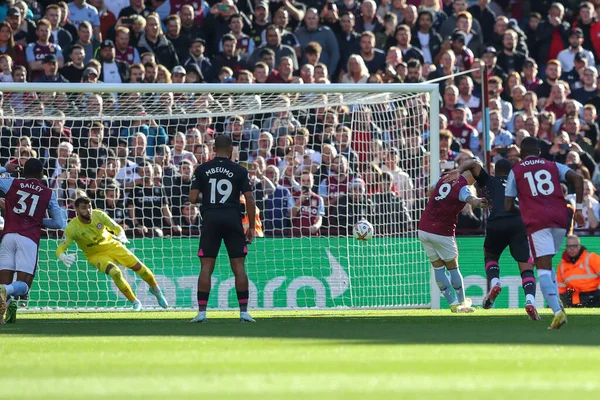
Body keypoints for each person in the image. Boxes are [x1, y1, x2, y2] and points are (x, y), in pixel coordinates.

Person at [505, 137, 585, 330]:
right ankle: (558, 304)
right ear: (540, 152)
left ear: (521, 154)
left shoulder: (516, 171)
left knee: (541, 269)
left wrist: (524, 208)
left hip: (537, 221)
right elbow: (579, 178)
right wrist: (580, 210)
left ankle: (557, 312)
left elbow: (507, 206)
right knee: (548, 266)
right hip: (560, 220)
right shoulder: (553, 165)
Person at [444, 158, 539, 319]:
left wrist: (458, 170)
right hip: (519, 223)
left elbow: (473, 163)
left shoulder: (489, 181)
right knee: (526, 267)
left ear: (495, 171)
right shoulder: (521, 185)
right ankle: (530, 301)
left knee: (491, 255)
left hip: (497, 222)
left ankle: (495, 283)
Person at [55, 196, 168, 311]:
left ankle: (156, 290)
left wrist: (121, 234)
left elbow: (116, 227)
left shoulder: (99, 215)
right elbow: (60, 249)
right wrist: (62, 256)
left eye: (89, 207)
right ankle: (135, 302)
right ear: (77, 210)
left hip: (112, 245)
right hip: (96, 255)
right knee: (115, 272)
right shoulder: (72, 228)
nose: (88, 210)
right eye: (84, 208)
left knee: (141, 269)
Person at [189, 135, 256, 323]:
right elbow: (250, 200)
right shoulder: (239, 170)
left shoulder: (202, 169)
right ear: (231, 149)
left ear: (214, 148)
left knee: (206, 267)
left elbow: (193, 198)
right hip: (233, 220)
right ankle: (244, 313)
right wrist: (251, 227)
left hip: (211, 219)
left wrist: (209, 197)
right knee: (239, 267)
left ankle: (202, 313)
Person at [0, 159, 66, 324]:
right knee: (23, 285)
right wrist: (37, 220)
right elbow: (59, 223)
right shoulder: (48, 193)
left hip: (8, 236)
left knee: (4, 279)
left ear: (23, 172)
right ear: (41, 174)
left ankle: (7, 308)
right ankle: (6, 292)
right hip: (28, 238)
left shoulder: (12, 183)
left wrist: (5, 168)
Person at [418, 168, 487, 313]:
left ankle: (453, 303)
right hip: (442, 231)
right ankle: (462, 302)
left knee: (437, 267)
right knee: (452, 267)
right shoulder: (464, 187)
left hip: (423, 228)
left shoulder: (445, 178)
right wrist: (483, 202)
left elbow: (430, 191)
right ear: (473, 177)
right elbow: (473, 201)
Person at [557, 235, 600, 307]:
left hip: (594, 295)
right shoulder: (562, 265)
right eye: (569, 246)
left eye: (574, 246)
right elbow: (560, 288)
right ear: (566, 247)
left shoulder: (591, 258)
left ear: (579, 246)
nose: (572, 248)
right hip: (574, 298)